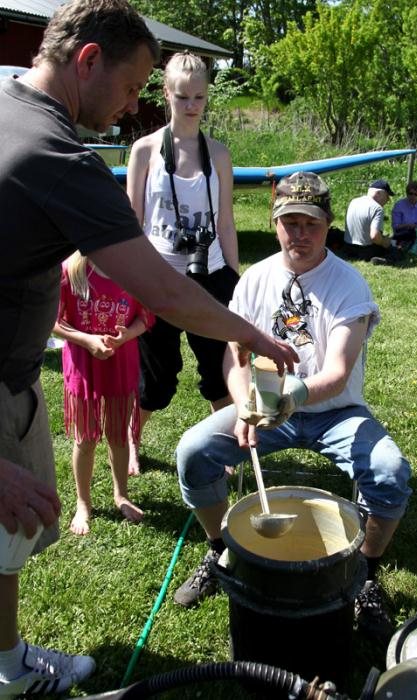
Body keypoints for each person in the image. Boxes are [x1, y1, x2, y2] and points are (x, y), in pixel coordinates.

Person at [0, 1, 297, 695]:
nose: (136, 106)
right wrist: (250, 334)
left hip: (15, 377)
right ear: (87, 61)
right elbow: (163, 292)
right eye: (135, 87)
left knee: (10, 534)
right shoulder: (55, 155)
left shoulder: (8, 107)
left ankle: (6, 656)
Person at [174, 171, 412, 641]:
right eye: (290, 222)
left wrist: (292, 397)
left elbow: (339, 371)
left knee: (390, 472)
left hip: (336, 412)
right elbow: (234, 353)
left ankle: (364, 575)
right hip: (266, 410)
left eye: (312, 224)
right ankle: (220, 550)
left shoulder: (349, 284)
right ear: (274, 221)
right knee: (194, 451)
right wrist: (245, 404)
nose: (300, 233)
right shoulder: (256, 280)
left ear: (328, 226)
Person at [126, 52, 239, 476]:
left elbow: (226, 222)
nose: (191, 106)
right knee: (156, 379)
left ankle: (226, 446)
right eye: (182, 97)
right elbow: (132, 220)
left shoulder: (220, 154)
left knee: (218, 368)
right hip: (158, 279)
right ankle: (131, 441)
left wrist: (235, 279)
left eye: (199, 97)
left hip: (210, 275)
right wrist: (130, 280)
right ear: (165, 94)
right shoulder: (144, 151)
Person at [53, 252, 154, 535]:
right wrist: (86, 340)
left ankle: (120, 494)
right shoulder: (71, 270)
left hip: (121, 364)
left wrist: (126, 336)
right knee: (85, 439)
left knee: (118, 434)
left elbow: (146, 316)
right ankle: (83, 502)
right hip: (84, 366)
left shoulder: (133, 269)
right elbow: (54, 320)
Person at [344, 179, 402, 265]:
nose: (388, 200)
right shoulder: (377, 208)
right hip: (366, 251)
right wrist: (384, 241)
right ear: (378, 193)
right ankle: (385, 261)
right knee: (396, 251)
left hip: (348, 248)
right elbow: (374, 236)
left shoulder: (354, 201)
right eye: (387, 196)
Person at [391, 180, 417, 248]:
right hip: (403, 234)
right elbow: (395, 226)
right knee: (410, 234)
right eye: (411, 193)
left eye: (416, 194)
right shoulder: (399, 205)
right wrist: (408, 225)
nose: (413, 196)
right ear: (407, 193)